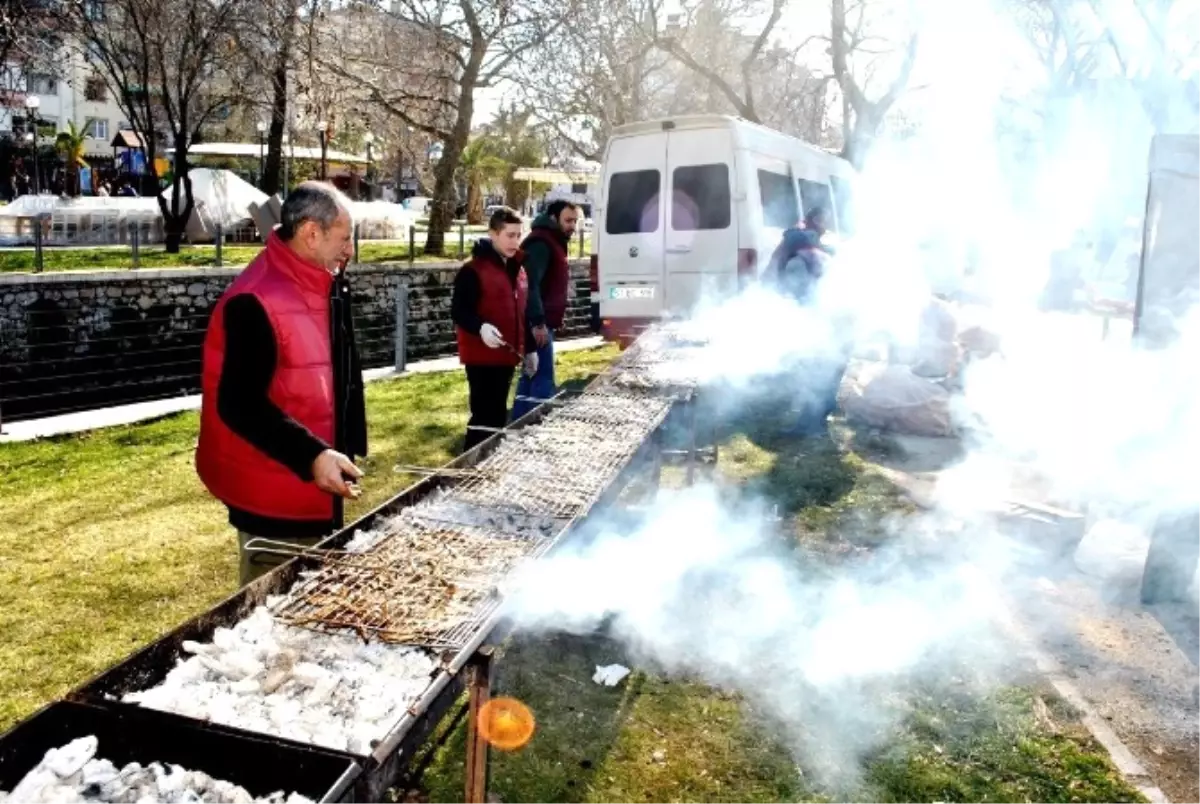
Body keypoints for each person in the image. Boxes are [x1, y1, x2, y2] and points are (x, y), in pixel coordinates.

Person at [195, 181, 367, 586]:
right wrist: (312, 455)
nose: (351, 250)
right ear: (311, 233)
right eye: (345, 239)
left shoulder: (318, 281)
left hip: (311, 481)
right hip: (274, 493)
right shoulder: (256, 299)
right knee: (274, 615)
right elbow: (238, 404)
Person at [451, 206, 536, 452]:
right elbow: (459, 311)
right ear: (493, 234)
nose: (515, 241)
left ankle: (488, 462)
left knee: (498, 415)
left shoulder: (518, 269)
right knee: (483, 417)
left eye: (518, 235)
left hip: (506, 355)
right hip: (482, 356)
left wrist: (529, 349)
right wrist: (481, 327)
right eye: (510, 235)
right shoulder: (472, 270)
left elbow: (522, 313)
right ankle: (471, 466)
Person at [511, 200, 580, 420]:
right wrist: (538, 323)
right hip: (537, 323)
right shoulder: (541, 243)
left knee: (531, 375)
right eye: (568, 220)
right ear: (553, 219)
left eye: (575, 221)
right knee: (542, 377)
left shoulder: (553, 241)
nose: (572, 226)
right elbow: (530, 285)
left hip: (540, 321)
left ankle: (518, 428)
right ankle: (535, 429)